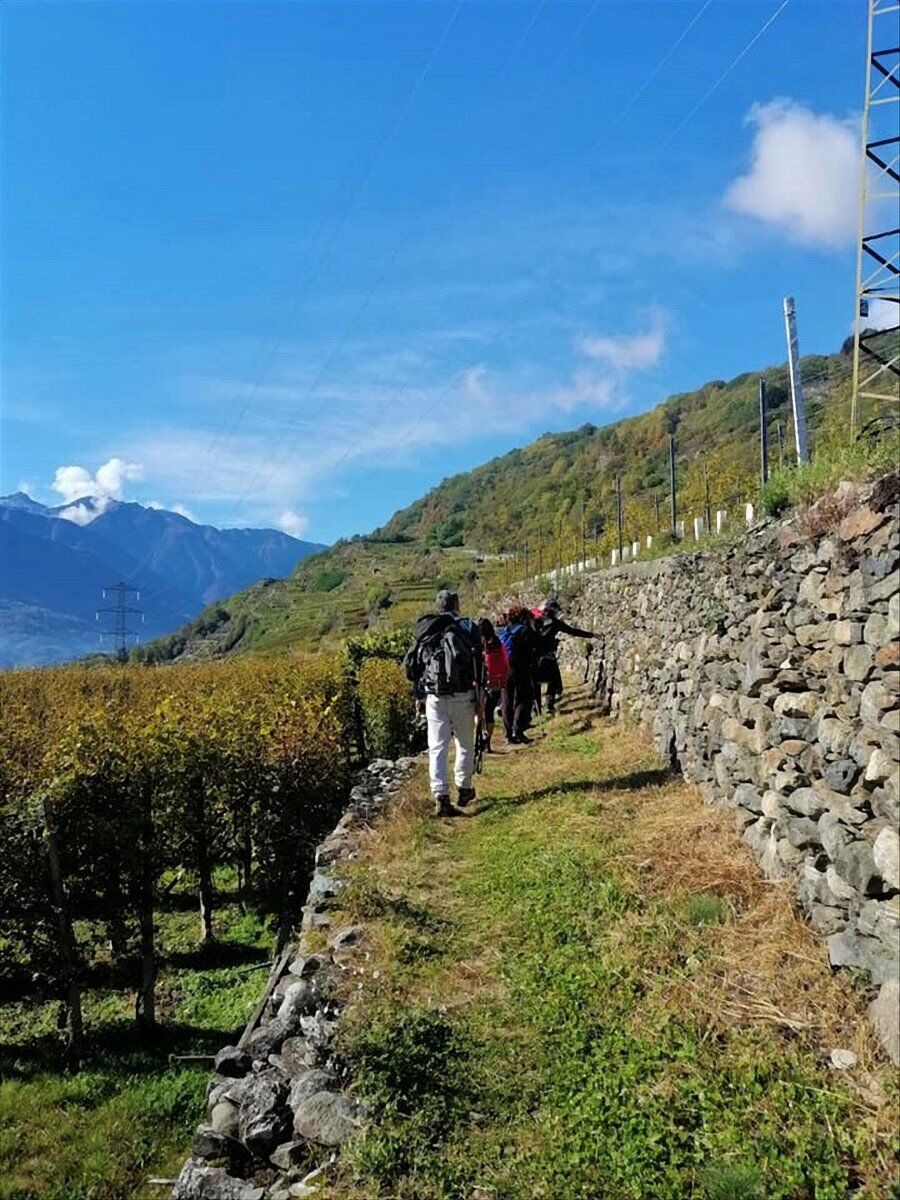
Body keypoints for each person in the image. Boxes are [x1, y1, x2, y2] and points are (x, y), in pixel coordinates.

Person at [404, 590, 485, 817]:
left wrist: (419, 696)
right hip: (463, 694)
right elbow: (479, 663)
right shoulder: (467, 627)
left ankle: (441, 796)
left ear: (438, 606)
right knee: (465, 744)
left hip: (434, 696)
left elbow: (416, 666)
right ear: (457, 605)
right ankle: (464, 788)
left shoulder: (426, 629)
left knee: (437, 747)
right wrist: (480, 698)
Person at [532, 598, 596, 715]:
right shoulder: (556, 623)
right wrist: (591, 635)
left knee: (536, 682)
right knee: (552, 680)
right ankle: (549, 705)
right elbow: (573, 631)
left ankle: (536, 708)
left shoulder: (535, 621)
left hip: (535, 657)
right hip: (549, 656)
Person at [497, 604, 539, 744]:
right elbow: (538, 645)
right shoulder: (525, 630)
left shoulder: (504, 631)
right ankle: (517, 730)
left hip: (504, 669)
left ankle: (508, 734)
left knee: (506, 700)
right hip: (521, 668)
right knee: (524, 697)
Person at [478, 617, 508, 754]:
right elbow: (505, 661)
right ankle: (487, 743)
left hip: (482, 683)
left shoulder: (479, 645)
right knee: (489, 713)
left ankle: (480, 737)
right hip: (497, 682)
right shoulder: (498, 643)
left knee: (480, 711)